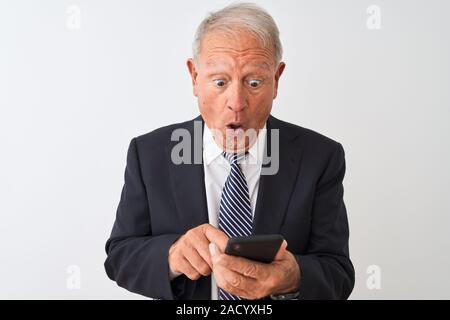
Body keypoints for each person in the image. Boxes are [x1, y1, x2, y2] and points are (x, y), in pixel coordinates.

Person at [104, 3, 354, 300]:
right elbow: (119, 257)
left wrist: (291, 276)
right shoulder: (149, 154)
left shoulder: (321, 157)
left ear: (277, 79)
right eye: (220, 82)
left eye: (254, 82)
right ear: (194, 77)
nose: (236, 102)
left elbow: (338, 272)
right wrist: (172, 255)